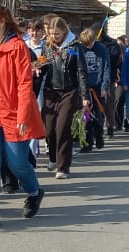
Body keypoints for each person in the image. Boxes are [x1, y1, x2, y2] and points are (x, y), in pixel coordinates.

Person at [0, 4, 46, 230]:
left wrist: (23, 116)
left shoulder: (17, 47)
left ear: (2, 21)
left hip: (12, 111)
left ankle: (34, 192)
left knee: (16, 162)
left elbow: (24, 83)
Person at [35, 15, 88, 178]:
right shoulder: (47, 47)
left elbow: (82, 72)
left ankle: (63, 167)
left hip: (69, 91)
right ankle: (52, 157)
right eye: (51, 34)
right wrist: (35, 68)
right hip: (50, 91)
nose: (54, 37)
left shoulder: (75, 46)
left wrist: (85, 96)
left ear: (65, 31)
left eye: (57, 34)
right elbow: (42, 67)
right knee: (49, 130)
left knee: (62, 128)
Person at [77, 28, 109, 152]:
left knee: (98, 115)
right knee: (85, 116)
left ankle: (99, 135)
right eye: (86, 44)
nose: (88, 46)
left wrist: (105, 86)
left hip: (98, 86)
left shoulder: (102, 49)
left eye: (90, 44)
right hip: (84, 87)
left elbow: (106, 67)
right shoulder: (79, 48)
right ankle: (87, 142)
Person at [96, 27, 123, 137]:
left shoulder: (112, 44)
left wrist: (103, 53)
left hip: (109, 77)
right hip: (95, 78)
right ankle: (98, 127)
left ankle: (110, 126)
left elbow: (115, 59)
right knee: (97, 104)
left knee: (109, 103)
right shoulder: (92, 44)